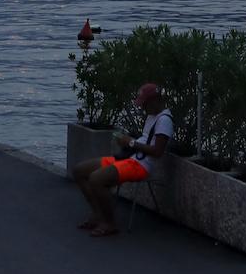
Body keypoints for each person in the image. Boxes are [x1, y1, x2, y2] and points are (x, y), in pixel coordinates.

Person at [72, 83, 172, 238]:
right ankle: (98, 214)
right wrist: (128, 142)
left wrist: (131, 143)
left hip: (140, 165)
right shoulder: (152, 116)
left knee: (96, 179)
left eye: (144, 104)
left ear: (154, 101)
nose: (142, 107)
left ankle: (109, 222)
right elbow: (145, 141)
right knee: (79, 170)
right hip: (129, 157)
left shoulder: (164, 121)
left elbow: (157, 152)